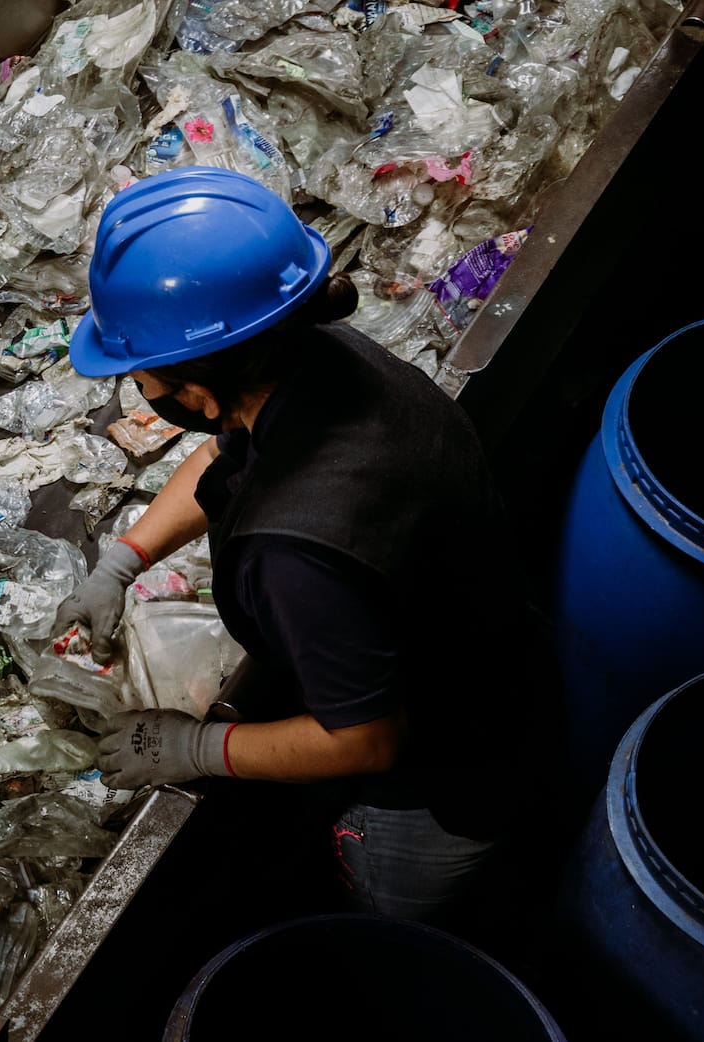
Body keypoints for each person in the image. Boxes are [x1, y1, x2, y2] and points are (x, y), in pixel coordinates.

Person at [55, 166, 558, 924]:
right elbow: (226, 453)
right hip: (504, 666)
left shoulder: (295, 553)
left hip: (442, 790)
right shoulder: (323, 359)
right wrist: (125, 559)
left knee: (384, 908)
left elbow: (363, 743)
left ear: (197, 392)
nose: (139, 389)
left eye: (142, 374)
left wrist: (196, 750)